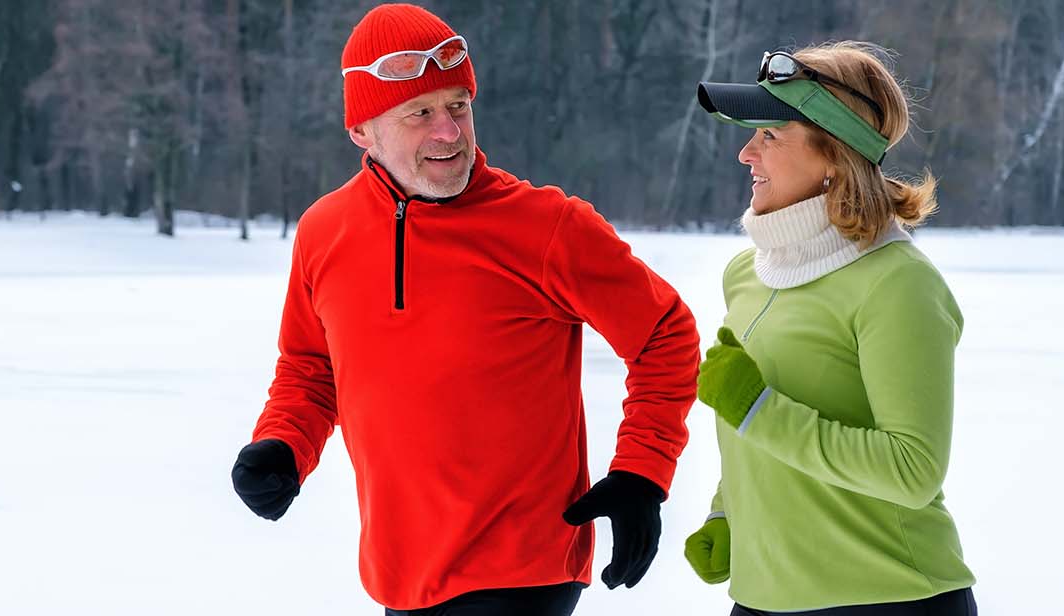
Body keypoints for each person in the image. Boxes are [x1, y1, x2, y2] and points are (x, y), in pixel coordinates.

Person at [229, 4, 700, 615]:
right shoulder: (325, 231)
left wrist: (641, 473)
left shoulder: (547, 227)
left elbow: (665, 334)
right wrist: (283, 444)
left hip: (522, 570)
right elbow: (312, 368)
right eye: (419, 113)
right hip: (397, 569)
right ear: (361, 131)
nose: (449, 131)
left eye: (458, 105)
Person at [686, 41, 978, 616]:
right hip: (762, 597)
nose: (747, 153)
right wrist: (729, 508)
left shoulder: (897, 283)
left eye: (770, 135)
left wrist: (757, 411)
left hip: (888, 598)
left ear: (835, 156)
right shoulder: (747, 275)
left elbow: (912, 469)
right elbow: (759, 425)